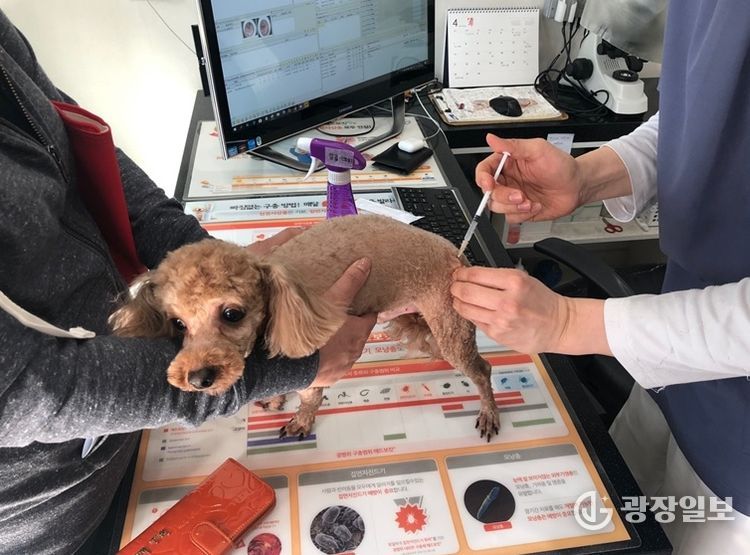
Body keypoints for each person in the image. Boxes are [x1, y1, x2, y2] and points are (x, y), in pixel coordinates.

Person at [0, 10, 376, 555]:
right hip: (52, 513)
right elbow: (25, 389)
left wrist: (211, 260)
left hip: (135, 413)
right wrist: (301, 365)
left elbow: (78, 148)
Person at [451, 2, 750, 553]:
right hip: (672, 364)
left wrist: (569, 323)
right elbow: (699, 116)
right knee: (616, 521)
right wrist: (586, 177)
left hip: (739, 448)